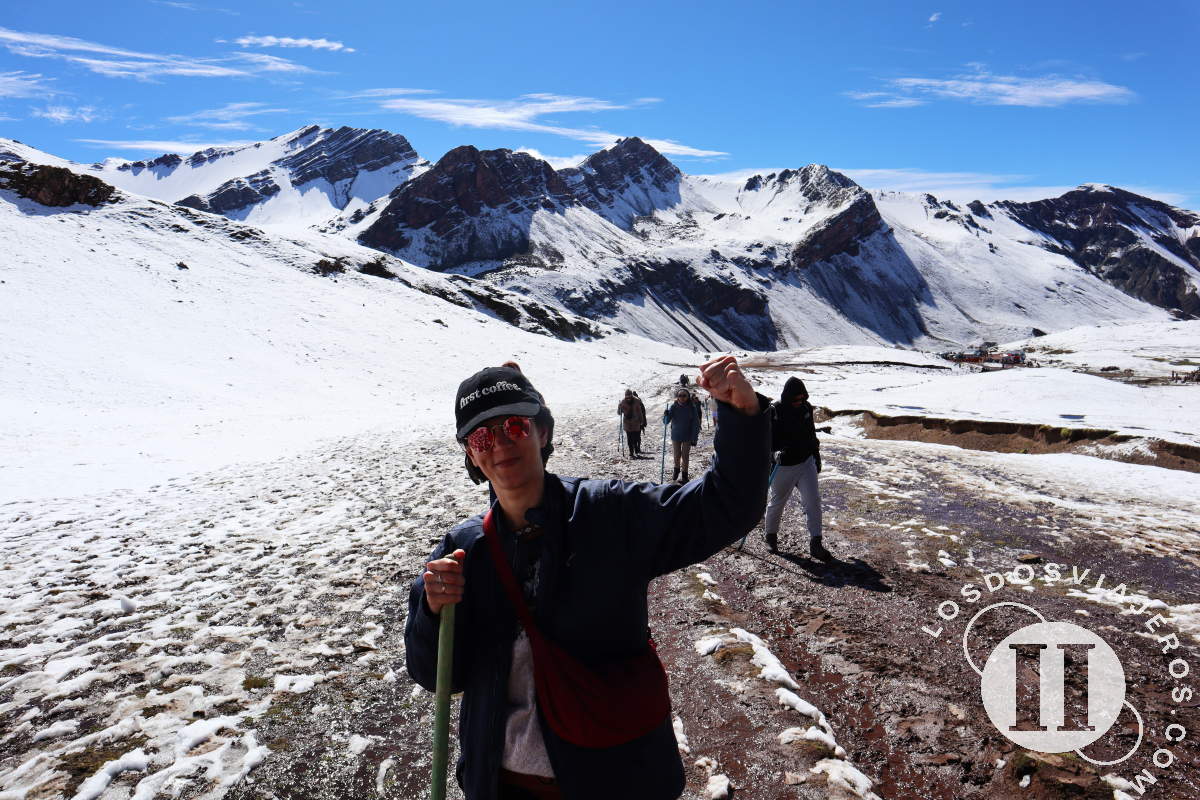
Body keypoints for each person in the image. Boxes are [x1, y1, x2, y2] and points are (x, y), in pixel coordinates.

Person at [405, 358, 770, 800]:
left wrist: (742, 419)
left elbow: (724, 507)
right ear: (472, 455)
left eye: (515, 426)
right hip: (500, 784)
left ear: (543, 431)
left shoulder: (609, 514)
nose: (500, 444)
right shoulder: (462, 551)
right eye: (483, 435)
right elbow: (435, 675)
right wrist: (431, 609)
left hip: (612, 779)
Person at [762, 377, 831, 559]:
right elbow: (766, 440)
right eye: (795, 399)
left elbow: (811, 434)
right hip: (783, 466)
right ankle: (770, 536)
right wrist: (774, 453)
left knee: (813, 501)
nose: (799, 402)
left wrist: (816, 456)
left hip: (805, 462)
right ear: (788, 397)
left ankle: (816, 543)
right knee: (778, 502)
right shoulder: (775, 411)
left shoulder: (806, 409)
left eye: (802, 398)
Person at [662, 388, 701, 483]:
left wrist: (694, 438)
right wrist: (665, 415)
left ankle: (684, 475)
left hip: (687, 436)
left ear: (688, 397)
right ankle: (676, 469)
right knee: (676, 455)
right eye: (680, 396)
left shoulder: (692, 408)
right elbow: (666, 422)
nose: (682, 398)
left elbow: (696, 424)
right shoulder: (674, 407)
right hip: (676, 435)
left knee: (685, 456)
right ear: (677, 397)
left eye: (684, 396)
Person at [617, 389, 647, 458]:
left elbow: (640, 412)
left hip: (636, 422)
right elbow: (619, 413)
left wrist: (641, 420)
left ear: (632, 396)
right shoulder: (622, 402)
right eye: (627, 397)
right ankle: (631, 453)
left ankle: (636, 449)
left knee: (636, 437)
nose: (628, 399)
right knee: (629, 438)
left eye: (629, 397)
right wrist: (619, 408)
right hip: (627, 423)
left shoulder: (637, 401)